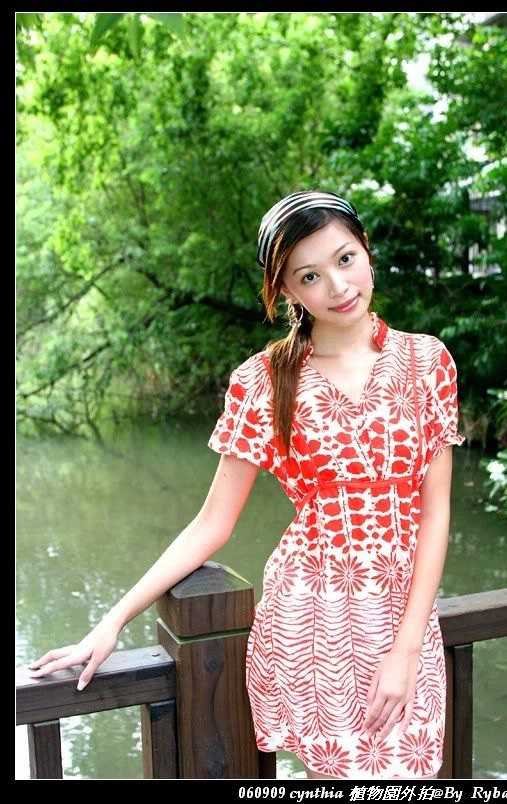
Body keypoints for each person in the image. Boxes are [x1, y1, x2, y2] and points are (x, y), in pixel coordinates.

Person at [29, 189, 465, 780]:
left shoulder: (426, 361)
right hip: (313, 620)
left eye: (345, 259)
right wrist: (113, 620)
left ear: (366, 250)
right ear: (286, 290)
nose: (338, 286)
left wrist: (408, 645)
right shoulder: (265, 380)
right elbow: (213, 523)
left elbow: (434, 514)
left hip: (404, 620)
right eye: (309, 276)